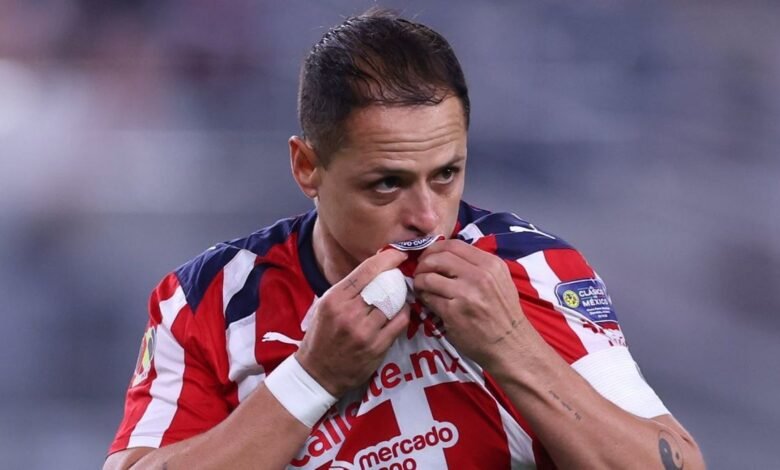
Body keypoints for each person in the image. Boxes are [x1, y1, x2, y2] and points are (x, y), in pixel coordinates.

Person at [104, 8, 704, 469]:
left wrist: (512, 347)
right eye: (387, 184)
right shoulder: (208, 300)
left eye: (446, 175)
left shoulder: (532, 269)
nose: (427, 218)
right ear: (307, 167)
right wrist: (310, 378)